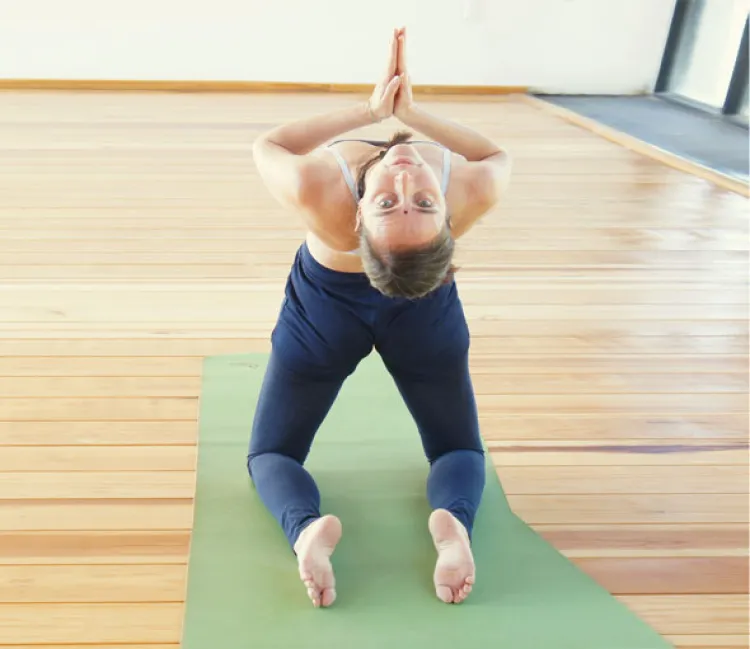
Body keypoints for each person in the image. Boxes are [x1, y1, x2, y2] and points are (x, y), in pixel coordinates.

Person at [247, 26, 510, 609]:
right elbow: (494, 155)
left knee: (272, 456)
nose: (407, 177)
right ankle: (454, 524)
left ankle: (306, 531)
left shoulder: (316, 187)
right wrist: (414, 114)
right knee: (459, 450)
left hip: (324, 313)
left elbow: (269, 145)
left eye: (404, 201)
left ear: (357, 219)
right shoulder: (471, 188)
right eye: (409, 201)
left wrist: (368, 112)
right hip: (424, 315)